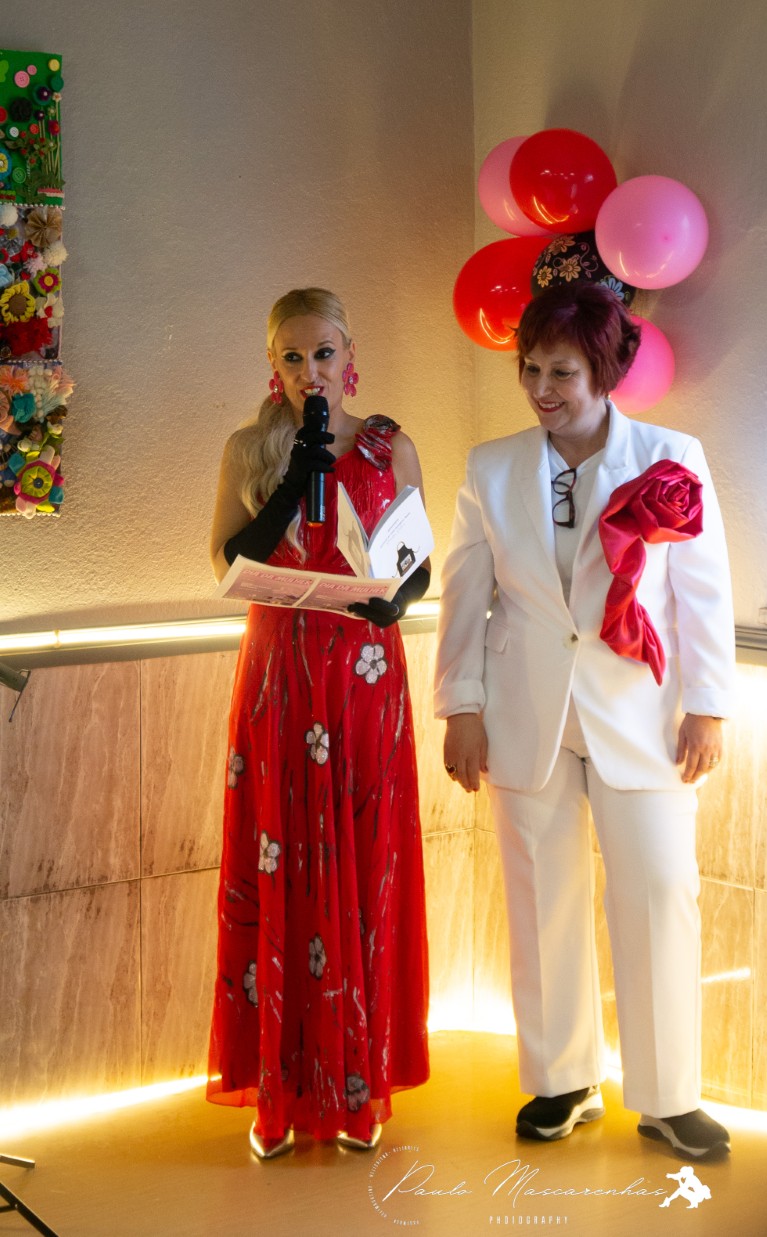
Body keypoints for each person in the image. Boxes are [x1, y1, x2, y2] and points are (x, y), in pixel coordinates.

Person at [435, 282, 736, 1159]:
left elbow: (704, 591)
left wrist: (709, 703)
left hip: (640, 712)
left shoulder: (670, 457)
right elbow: (465, 595)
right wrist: (460, 705)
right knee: (540, 895)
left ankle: (669, 1095)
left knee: (659, 890)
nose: (541, 388)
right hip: (525, 709)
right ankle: (562, 1078)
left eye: (561, 371)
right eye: (530, 368)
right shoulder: (490, 467)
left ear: (604, 372)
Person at [207, 288, 430, 1160]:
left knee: (365, 863)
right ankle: (280, 1087)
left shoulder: (390, 444)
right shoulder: (247, 447)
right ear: (274, 364)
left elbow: (413, 562)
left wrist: (398, 602)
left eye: (324, 353)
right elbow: (227, 559)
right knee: (280, 857)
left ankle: (358, 1083)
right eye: (294, 357)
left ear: (349, 354)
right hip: (279, 677)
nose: (312, 372)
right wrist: (298, 476)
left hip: (364, 677)